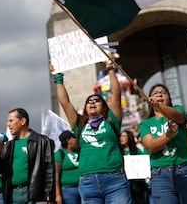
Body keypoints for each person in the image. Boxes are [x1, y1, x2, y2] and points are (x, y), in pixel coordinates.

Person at [52, 57, 132, 204]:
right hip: (88, 183)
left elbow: (116, 95)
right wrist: (58, 77)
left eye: (97, 100)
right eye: (89, 101)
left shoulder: (112, 120)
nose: (92, 102)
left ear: (104, 107)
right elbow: (65, 102)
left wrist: (110, 69)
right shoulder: (79, 124)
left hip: (114, 180)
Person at [139, 83, 187, 204]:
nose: (159, 94)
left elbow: (179, 118)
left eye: (163, 92)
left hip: (186, 170)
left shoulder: (178, 109)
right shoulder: (146, 124)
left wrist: (158, 105)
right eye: (155, 93)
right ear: (149, 99)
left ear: (169, 98)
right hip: (160, 176)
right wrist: (169, 134)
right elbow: (151, 146)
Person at [0, 108, 56, 204]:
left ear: (22, 121)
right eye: (7, 121)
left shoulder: (42, 141)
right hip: (13, 194)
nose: (8, 124)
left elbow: (49, 170)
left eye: (11, 121)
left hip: (34, 194)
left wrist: (49, 196)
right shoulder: (8, 145)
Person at [120, 130, 149, 204]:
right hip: (123, 183)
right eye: (120, 136)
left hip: (137, 184)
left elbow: (144, 164)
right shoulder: (119, 152)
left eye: (124, 136)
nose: (121, 138)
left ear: (129, 138)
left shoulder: (137, 151)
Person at [55, 130, 80, 204]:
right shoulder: (60, 154)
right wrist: (58, 194)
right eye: (74, 138)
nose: (76, 140)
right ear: (68, 140)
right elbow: (56, 176)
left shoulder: (79, 152)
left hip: (83, 188)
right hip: (68, 191)